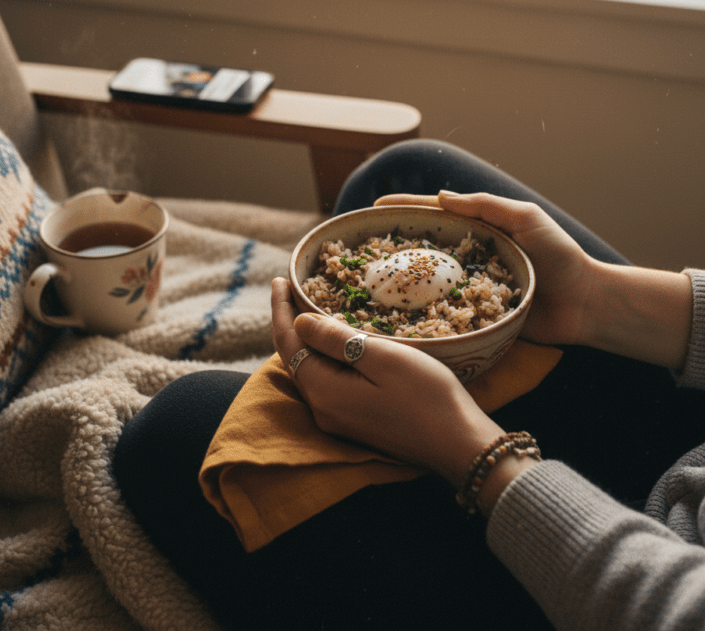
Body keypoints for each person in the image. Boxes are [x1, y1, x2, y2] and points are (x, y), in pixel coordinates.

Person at [113, 140, 705, 631]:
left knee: (173, 430)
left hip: (636, 579)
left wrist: (473, 455)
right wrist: (598, 298)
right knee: (402, 175)